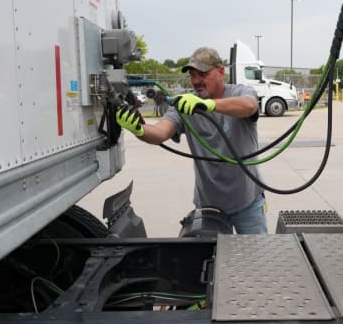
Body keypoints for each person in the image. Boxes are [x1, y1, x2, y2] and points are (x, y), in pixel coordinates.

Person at [115, 46, 268, 234]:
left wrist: (208, 105)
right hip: (209, 207)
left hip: (248, 203)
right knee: (212, 261)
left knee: (255, 258)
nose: (196, 81)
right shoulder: (185, 104)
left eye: (202, 74)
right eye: (192, 75)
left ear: (221, 72)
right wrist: (138, 129)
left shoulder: (239, 92)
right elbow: (160, 132)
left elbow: (249, 106)